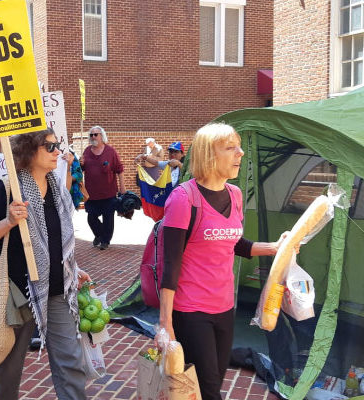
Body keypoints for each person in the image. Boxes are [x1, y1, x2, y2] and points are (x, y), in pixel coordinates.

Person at [155, 123, 287, 400]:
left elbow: (234, 242)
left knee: (213, 379)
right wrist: (165, 323)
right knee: (210, 389)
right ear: (208, 154)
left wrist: (275, 247)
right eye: (230, 147)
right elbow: (170, 265)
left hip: (225, 307)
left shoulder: (235, 195)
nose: (240, 153)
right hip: (191, 311)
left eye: (239, 147)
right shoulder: (183, 198)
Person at [0, 128, 91, 400]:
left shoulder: (58, 192)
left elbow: (58, 240)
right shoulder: (6, 188)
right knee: (10, 366)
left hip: (57, 290)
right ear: (29, 151)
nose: (57, 152)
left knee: (71, 362)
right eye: (49, 147)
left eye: (57, 146)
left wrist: (73, 269)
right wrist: (8, 221)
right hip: (17, 292)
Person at [80, 125, 125, 250]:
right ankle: (99, 234)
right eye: (91, 135)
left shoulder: (110, 151)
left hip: (108, 192)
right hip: (91, 193)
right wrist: (80, 164)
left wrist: (122, 186)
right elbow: (81, 169)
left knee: (108, 218)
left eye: (96, 134)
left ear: (102, 136)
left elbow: (119, 169)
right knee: (91, 218)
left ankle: (105, 241)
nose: (93, 137)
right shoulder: (87, 151)